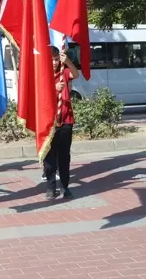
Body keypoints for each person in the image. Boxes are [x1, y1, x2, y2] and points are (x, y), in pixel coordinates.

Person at [45, 46, 79, 200]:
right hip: (49, 121)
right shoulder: (42, 76)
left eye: (56, 59)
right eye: (51, 59)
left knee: (64, 156)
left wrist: (68, 62)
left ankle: (65, 186)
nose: (54, 62)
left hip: (65, 119)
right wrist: (53, 88)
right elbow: (38, 94)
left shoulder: (63, 72)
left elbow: (76, 74)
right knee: (49, 156)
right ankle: (51, 187)